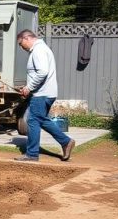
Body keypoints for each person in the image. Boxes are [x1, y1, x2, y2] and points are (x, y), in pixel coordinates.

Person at [15, 29, 76, 162]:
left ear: (27, 38)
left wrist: (29, 87)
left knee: (33, 121)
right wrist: (28, 87)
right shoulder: (42, 49)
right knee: (41, 120)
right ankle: (66, 142)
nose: (21, 47)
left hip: (41, 94)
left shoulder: (38, 50)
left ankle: (32, 154)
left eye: (20, 43)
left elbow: (42, 72)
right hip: (46, 92)